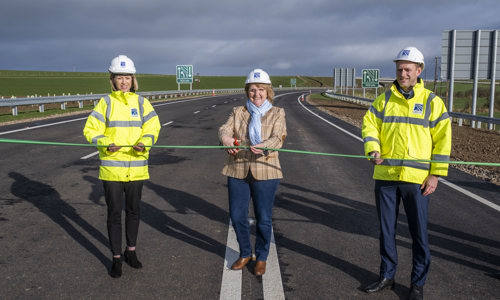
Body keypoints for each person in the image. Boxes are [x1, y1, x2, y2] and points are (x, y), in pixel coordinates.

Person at [361, 47, 452, 300]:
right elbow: (369, 125)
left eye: (408, 69)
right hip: (386, 176)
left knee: (418, 234)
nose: (402, 73)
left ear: (419, 70)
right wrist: (373, 149)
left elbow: (443, 141)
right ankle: (387, 276)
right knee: (386, 230)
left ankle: (417, 284)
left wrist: (435, 175)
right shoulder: (384, 99)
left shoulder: (432, 102)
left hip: (417, 180)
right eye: (399, 68)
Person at [83, 55, 161, 278]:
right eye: (119, 77)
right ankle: (116, 257)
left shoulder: (142, 102)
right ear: (113, 80)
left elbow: (153, 128)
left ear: (133, 79)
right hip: (112, 169)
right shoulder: (105, 102)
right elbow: (90, 130)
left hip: (136, 168)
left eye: (127, 77)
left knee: (134, 211)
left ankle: (131, 252)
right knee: (114, 213)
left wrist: (144, 143)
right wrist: (106, 143)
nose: (124, 81)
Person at [218, 68, 287, 276]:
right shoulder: (238, 111)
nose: (256, 94)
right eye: (252, 89)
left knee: (263, 218)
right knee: (237, 216)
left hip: (266, 170)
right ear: (247, 91)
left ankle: (262, 256)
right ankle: (245, 253)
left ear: (268, 91)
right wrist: (226, 140)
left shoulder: (277, 112)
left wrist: (266, 145)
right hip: (237, 169)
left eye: (261, 90)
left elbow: (279, 136)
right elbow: (224, 129)